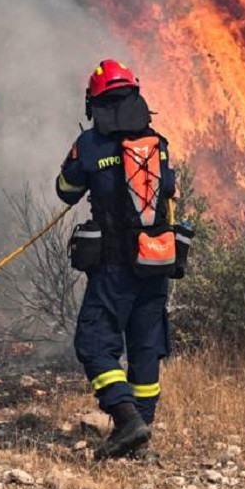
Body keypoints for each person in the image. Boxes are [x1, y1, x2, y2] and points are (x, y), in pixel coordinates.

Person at [56, 59, 179, 461]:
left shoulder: (91, 144)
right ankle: (141, 431)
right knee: (146, 346)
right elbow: (171, 188)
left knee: (93, 341)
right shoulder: (155, 143)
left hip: (113, 267)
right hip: (156, 262)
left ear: (96, 102)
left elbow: (66, 190)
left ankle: (126, 419)